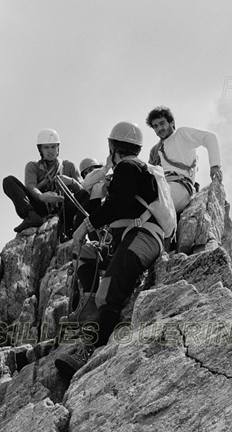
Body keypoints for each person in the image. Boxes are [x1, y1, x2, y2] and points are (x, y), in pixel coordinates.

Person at [55, 121, 164, 377]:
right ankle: (90, 308)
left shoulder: (128, 166)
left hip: (142, 237)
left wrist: (85, 226)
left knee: (109, 293)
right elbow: (122, 206)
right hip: (136, 236)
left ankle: (89, 350)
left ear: (113, 146)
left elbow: (118, 204)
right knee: (87, 255)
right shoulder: (135, 169)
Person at [2, 128, 84, 239]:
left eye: (53, 147)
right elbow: (31, 186)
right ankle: (31, 215)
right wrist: (42, 197)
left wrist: (71, 181)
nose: (50, 151)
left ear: (58, 148)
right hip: (40, 207)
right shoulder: (33, 166)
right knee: (9, 181)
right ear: (40, 150)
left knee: (83, 197)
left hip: (64, 208)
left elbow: (82, 191)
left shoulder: (68, 166)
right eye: (46, 147)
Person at [146, 106, 223, 213]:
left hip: (179, 186)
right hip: (162, 186)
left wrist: (215, 166)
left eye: (162, 123)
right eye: (155, 126)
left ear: (171, 122)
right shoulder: (156, 150)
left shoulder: (181, 134)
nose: (159, 128)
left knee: (154, 212)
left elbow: (210, 137)